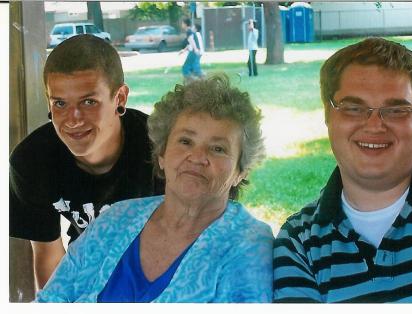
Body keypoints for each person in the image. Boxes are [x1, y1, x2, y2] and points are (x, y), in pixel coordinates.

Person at [35, 74, 274, 303]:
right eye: (185, 141)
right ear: (162, 154)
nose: (197, 157)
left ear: (240, 171)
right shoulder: (116, 219)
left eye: (218, 148)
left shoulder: (248, 244)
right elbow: (50, 299)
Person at [273, 37, 412, 303]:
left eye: (396, 109)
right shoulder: (300, 242)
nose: (375, 125)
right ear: (327, 115)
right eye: (353, 108)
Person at [9, 34, 164, 290]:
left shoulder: (162, 148)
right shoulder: (31, 160)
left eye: (89, 102)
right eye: (60, 103)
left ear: (120, 98)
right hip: (88, 276)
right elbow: (49, 257)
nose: (73, 119)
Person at [179, 18, 201, 83]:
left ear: (185, 24)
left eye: (182, 23)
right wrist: (183, 50)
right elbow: (189, 44)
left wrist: (195, 49)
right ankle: (193, 82)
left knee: (185, 68)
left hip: (193, 52)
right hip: (193, 51)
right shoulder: (189, 31)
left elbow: (192, 41)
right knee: (191, 69)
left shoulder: (189, 31)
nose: (182, 25)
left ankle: (194, 82)